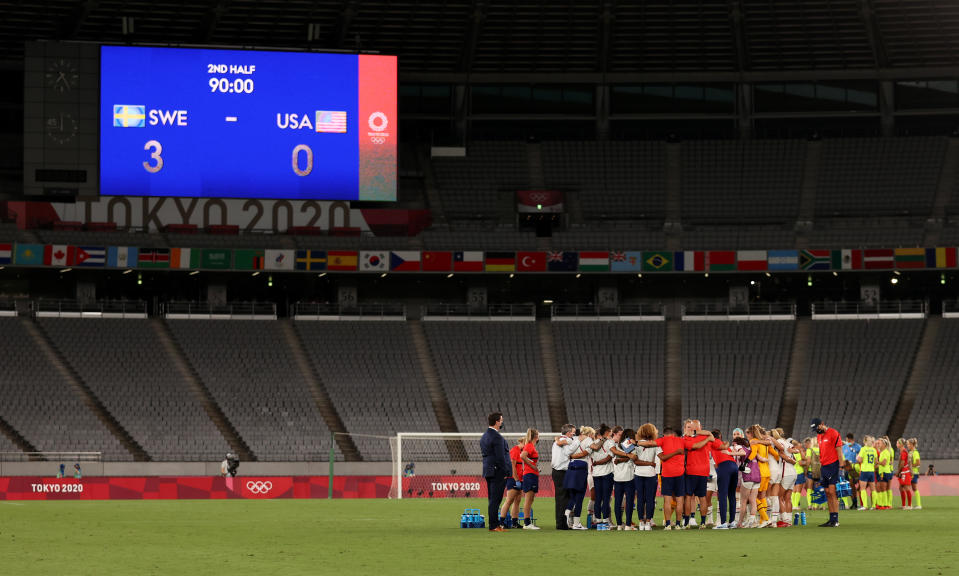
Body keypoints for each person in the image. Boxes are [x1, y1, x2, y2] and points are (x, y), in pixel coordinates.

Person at [638, 425, 685, 530]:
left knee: (667, 500)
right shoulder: (681, 441)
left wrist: (637, 442)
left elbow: (649, 444)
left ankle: (667, 524)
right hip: (680, 474)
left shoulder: (662, 440)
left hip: (667, 474)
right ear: (673, 434)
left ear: (664, 434)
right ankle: (678, 524)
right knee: (679, 500)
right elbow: (694, 446)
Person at [480, 412, 511, 532]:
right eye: (501, 420)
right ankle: (494, 525)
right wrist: (505, 472)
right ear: (497, 422)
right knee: (496, 499)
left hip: (488, 470)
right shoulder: (497, 437)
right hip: (497, 471)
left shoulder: (484, 436)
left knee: (492, 499)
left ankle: (494, 524)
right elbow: (500, 457)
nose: (502, 422)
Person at [811, 417, 844, 527]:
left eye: (817, 427)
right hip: (824, 466)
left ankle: (835, 519)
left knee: (832, 492)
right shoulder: (819, 436)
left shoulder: (834, 433)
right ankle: (831, 519)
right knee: (827, 492)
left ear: (822, 423)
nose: (817, 430)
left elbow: (839, 451)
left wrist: (841, 466)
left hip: (833, 465)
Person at [682, 421, 714, 529]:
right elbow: (699, 445)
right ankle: (701, 522)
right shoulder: (701, 438)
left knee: (689, 496)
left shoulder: (687, 438)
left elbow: (710, 437)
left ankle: (687, 523)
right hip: (702, 471)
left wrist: (699, 433)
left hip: (692, 471)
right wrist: (707, 439)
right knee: (702, 497)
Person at [631, 423, 661, 531]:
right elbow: (657, 461)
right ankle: (648, 522)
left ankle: (641, 522)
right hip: (651, 474)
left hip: (638, 473)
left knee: (640, 499)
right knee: (650, 499)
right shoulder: (656, 444)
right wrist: (651, 464)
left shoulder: (636, 444)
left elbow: (635, 460)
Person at [564, 426, 595, 530]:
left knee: (572, 495)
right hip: (581, 466)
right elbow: (585, 453)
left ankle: (567, 512)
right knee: (580, 496)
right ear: (590, 434)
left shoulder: (575, 439)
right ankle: (576, 523)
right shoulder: (589, 440)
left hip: (570, 466)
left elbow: (568, 452)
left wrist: (571, 457)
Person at [709, 429, 741, 529]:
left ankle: (723, 523)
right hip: (734, 466)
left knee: (722, 495)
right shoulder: (723, 443)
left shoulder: (712, 442)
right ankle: (732, 522)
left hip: (724, 466)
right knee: (732, 495)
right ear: (720, 436)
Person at [590, 424, 616, 527]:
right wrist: (600, 462)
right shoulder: (610, 442)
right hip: (607, 473)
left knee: (598, 497)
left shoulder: (594, 443)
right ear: (607, 432)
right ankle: (606, 520)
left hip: (596, 474)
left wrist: (597, 463)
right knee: (606, 498)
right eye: (610, 432)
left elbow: (593, 458)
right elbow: (609, 458)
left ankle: (598, 519)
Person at [551, 424, 576, 530]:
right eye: (573, 432)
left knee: (560, 497)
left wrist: (557, 439)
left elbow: (558, 441)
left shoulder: (557, 441)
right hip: (562, 472)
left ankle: (560, 522)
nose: (574, 434)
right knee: (564, 498)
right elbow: (562, 442)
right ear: (569, 432)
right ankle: (562, 524)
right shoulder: (568, 440)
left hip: (556, 471)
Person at [610, 428, 637, 530]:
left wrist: (620, 460)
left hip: (617, 477)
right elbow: (633, 457)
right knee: (629, 502)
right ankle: (628, 525)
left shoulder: (616, 446)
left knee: (618, 502)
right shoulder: (630, 445)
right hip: (629, 477)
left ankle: (619, 525)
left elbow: (616, 459)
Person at [500, 437, 525, 528]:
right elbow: (512, 466)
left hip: (520, 479)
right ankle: (501, 522)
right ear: (522, 442)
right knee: (509, 500)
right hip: (514, 479)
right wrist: (516, 479)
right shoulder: (515, 450)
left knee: (517, 501)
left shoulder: (521, 451)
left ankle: (514, 523)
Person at [519, 428, 541, 529]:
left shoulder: (531, 446)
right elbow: (522, 456)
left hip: (532, 474)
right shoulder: (529, 446)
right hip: (529, 474)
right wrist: (532, 466)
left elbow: (527, 458)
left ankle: (527, 522)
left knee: (530, 499)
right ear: (535, 436)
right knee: (528, 499)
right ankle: (527, 523)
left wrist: (533, 465)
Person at [857, 435, 877, 510]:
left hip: (864, 470)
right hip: (871, 471)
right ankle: (874, 506)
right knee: (873, 489)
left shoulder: (863, 449)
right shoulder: (873, 450)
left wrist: (858, 457)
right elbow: (876, 461)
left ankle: (865, 506)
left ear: (864, 441)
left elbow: (860, 460)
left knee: (862, 489)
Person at [896, 438, 913, 510]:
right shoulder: (903, 451)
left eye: (897, 443)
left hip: (905, 472)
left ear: (901, 444)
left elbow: (902, 463)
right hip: (904, 471)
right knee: (901, 487)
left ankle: (909, 505)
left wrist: (898, 471)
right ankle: (903, 505)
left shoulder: (903, 452)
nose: (896, 444)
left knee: (906, 487)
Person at [911, 438, 924, 509]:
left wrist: (910, 466)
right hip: (912, 472)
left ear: (912, 444)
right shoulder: (911, 452)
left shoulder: (915, 453)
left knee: (914, 488)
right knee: (912, 488)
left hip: (913, 473)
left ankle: (918, 505)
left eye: (908, 444)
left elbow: (918, 463)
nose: (907, 445)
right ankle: (912, 504)